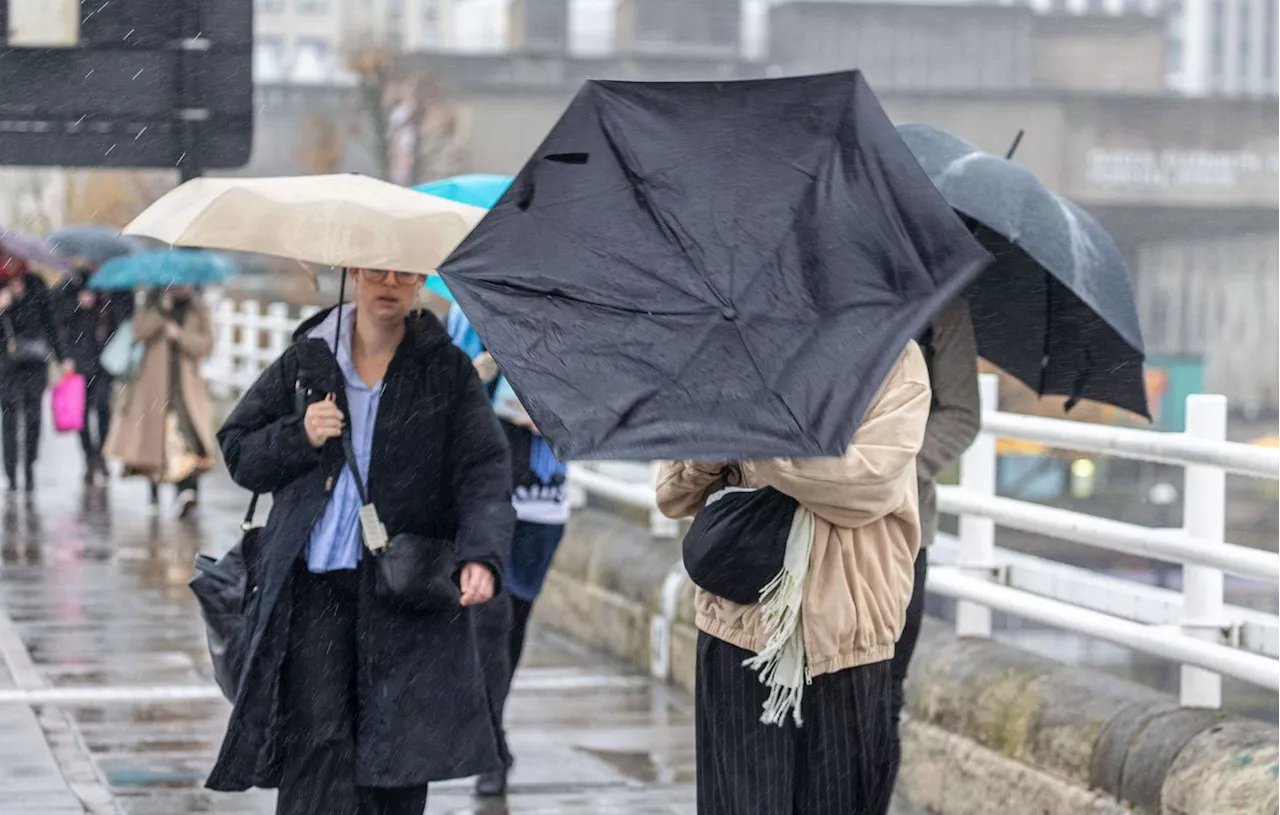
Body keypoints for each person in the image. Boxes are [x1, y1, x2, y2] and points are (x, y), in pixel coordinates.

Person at [208, 268, 515, 815]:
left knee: (395, 754)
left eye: (403, 272)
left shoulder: (444, 370)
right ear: (355, 273)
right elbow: (238, 450)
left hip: (406, 590)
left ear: (420, 281)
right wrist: (299, 434)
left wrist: (481, 556)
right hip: (314, 588)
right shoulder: (309, 360)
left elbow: (484, 470)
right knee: (317, 746)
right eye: (376, 270)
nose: (389, 283)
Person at [656, 340, 931, 815]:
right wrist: (707, 457)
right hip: (738, 623)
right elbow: (670, 494)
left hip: (847, 632)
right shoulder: (730, 347)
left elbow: (868, 484)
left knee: (836, 801)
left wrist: (762, 451)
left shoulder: (891, 355)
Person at [445, 303, 570, 798]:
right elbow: (448, 401)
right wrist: (487, 371)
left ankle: (493, 728)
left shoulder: (569, 314)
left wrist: (562, 419)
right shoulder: (465, 312)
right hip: (488, 486)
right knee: (488, 621)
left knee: (513, 623)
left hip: (542, 493)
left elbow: (602, 402)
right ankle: (490, 743)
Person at [877, 296, 980, 814]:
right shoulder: (801, 275)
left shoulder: (941, 299)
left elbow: (961, 414)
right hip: (803, 517)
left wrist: (893, 469)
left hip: (900, 530)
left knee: (880, 694)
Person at [103, 287, 214, 517]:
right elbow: (137, 331)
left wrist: (179, 335)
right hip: (152, 387)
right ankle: (153, 494)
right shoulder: (151, 304)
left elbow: (206, 345)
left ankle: (186, 494)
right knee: (152, 440)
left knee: (187, 441)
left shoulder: (198, 310)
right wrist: (160, 313)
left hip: (185, 389)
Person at [0, 259, 71, 494]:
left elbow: (51, 325)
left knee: (33, 417)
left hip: (34, 363)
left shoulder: (37, 286)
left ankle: (29, 468)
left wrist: (63, 358)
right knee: (9, 419)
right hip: (6, 365)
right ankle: (11, 474)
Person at [57, 267, 126, 485]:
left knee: (104, 407)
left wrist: (105, 304)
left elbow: (124, 317)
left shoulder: (114, 285)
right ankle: (89, 457)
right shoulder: (74, 281)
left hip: (106, 359)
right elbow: (58, 316)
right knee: (82, 413)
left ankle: (102, 454)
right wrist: (79, 304)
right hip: (80, 359)